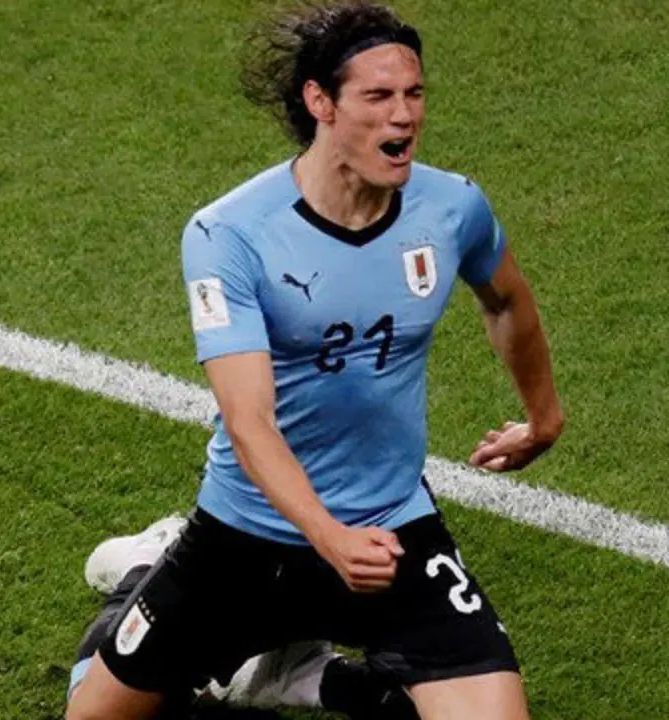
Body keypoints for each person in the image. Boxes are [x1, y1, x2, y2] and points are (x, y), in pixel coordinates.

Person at [65, 3, 564, 719]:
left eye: (414, 93)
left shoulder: (452, 208)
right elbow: (249, 421)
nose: (404, 116)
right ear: (320, 102)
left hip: (390, 526)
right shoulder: (230, 234)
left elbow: (506, 299)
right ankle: (144, 575)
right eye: (378, 96)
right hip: (246, 534)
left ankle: (285, 667)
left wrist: (543, 419)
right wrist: (329, 539)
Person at [70, 515, 421, 719]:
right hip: (252, 557)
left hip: (369, 553)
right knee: (106, 705)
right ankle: (144, 568)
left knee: (443, 691)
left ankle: (300, 672)